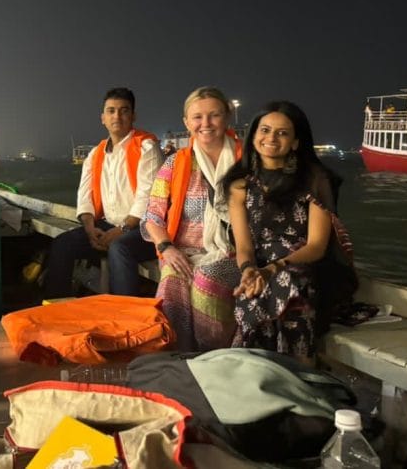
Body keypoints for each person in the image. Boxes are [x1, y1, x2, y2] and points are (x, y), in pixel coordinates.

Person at [224, 101, 354, 362]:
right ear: (253, 136)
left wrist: (273, 268)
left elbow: (316, 246)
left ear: (295, 142)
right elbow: (244, 246)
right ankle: (260, 370)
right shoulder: (240, 185)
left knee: (287, 283)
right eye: (265, 130)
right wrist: (249, 270)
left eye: (282, 133)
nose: (271, 138)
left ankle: (297, 371)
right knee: (253, 287)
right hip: (261, 265)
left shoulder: (316, 180)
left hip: (305, 264)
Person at [142, 86, 242, 352]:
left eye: (214, 115)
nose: (205, 124)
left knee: (207, 281)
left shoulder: (246, 161)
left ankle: (217, 357)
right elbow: (152, 215)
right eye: (197, 117)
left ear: (227, 116)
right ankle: (180, 358)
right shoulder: (175, 164)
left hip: (234, 253)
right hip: (183, 251)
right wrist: (166, 247)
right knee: (172, 282)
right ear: (187, 122)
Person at [43, 87, 162, 298]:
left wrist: (122, 229)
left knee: (119, 248)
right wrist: (90, 228)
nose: (117, 116)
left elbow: (148, 197)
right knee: (63, 244)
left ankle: (126, 318)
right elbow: (84, 194)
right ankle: (55, 307)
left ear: (133, 116)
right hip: (108, 225)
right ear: (103, 118)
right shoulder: (95, 154)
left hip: (145, 229)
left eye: (124, 110)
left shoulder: (147, 148)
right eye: (111, 111)